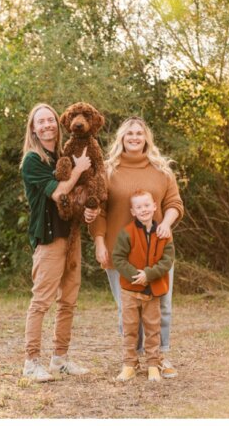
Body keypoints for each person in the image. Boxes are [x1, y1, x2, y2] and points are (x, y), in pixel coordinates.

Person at [89, 116, 184, 378]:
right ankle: (134, 359)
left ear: (146, 138)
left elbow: (175, 204)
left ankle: (160, 356)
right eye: (129, 133)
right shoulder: (107, 170)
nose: (134, 137)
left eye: (139, 133)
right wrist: (99, 242)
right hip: (120, 254)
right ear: (121, 138)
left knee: (161, 304)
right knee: (128, 308)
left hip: (157, 251)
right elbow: (99, 211)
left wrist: (165, 222)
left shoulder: (161, 170)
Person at [19, 103, 94, 383]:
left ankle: (59, 359)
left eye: (51, 120)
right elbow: (60, 193)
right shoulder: (33, 161)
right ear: (34, 128)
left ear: (56, 124)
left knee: (68, 301)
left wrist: (90, 208)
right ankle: (31, 362)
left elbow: (79, 194)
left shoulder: (62, 156)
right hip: (49, 239)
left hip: (71, 235)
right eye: (41, 121)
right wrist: (78, 170)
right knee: (41, 301)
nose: (48, 125)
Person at [111, 190, 175, 382]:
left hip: (153, 290)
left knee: (152, 328)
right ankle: (129, 364)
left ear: (155, 206)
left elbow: (167, 260)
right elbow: (118, 258)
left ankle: (153, 365)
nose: (144, 209)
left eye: (147, 205)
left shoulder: (164, 233)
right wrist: (135, 275)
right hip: (130, 290)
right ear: (133, 211)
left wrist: (148, 274)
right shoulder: (127, 233)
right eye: (139, 207)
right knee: (130, 328)